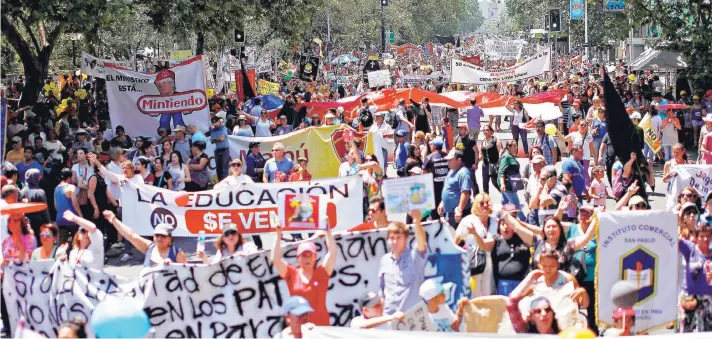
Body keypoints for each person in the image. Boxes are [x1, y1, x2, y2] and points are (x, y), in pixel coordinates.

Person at [271, 221, 337, 326]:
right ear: (298, 258)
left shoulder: (322, 273)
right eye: (304, 255)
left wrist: (327, 230)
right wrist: (278, 235)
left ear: (315, 257)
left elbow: (333, 253)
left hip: (321, 328)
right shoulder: (292, 274)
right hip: (300, 328)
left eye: (310, 255)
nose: (307, 259)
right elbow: (275, 259)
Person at [379, 210, 427, 315]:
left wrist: (417, 222)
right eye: (392, 238)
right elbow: (382, 290)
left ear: (406, 239)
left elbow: (421, 243)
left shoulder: (414, 257)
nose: (395, 242)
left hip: (412, 318)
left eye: (398, 238)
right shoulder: (384, 260)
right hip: (390, 318)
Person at [103, 210, 187, 266]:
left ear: (170, 238)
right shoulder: (149, 248)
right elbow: (131, 235)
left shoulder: (177, 253)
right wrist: (114, 220)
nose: (159, 238)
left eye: (163, 236)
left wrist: (173, 267)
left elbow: (186, 276)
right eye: (157, 235)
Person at [678, 225, 712, 332]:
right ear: (696, 238)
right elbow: (674, 239)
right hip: (689, 300)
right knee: (685, 333)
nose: (705, 239)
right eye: (702, 236)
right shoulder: (690, 249)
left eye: (708, 236)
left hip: (708, 302)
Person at [438, 150, 472, 227]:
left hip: (459, 213)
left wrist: (460, 210)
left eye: (450, 160)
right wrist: (443, 202)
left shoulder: (463, 173)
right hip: (450, 212)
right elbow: (448, 188)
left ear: (459, 160)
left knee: (460, 236)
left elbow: (465, 193)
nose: (448, 162)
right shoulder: (451, 171)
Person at [498, 140, 526, 221]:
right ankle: (524, 221)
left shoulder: (510, 155)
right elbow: (501, 171)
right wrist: (502, 184)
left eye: (516, 146)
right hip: (507, 185)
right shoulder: (506, 157)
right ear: (508, 147)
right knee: (516, 205)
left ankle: (497, 219)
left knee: (504, 203)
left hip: (509, 183)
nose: (516, 148)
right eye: (514, 146)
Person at [20, 169, 51, 241]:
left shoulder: (22, 191)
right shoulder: (40, 192)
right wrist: (48, 223)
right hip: (39, 223)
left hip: (26, 222)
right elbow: (44, 210)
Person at [55, 168, 82, 245]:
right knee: (76, 243)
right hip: (72, 218)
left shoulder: (56, 188)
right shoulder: (71, 187)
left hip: (60, 218)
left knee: (62, 244)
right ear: (69, 178)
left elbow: (56, 206)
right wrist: (80, 216)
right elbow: (75, 204)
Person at [423, 137, 448, 218]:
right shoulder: (447, 156)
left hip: (434, 186)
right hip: (446, 185)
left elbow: (424, 172)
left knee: (435, 207)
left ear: (434, 146)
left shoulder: (429, 157)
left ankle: (436, 222)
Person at [210, 116, 231, 181]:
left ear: (219, 122)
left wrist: (215, 139)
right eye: (214, 124)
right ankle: (220, 183)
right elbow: (211, 141)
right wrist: (217, 139)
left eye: (216, 124)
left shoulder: (224, 128)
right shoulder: (213, 130)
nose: (215, 126)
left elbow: (222, 139)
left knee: (224, 168)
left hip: (224, 150)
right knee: (218, 169)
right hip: (218, 150)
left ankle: (225, 183)